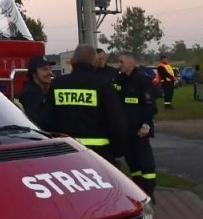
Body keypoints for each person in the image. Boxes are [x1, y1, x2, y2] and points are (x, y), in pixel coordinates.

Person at [47, 44, 128, 172]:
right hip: (99, 155)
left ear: (73, 61)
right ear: (95, 62)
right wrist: (117, 151)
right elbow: (116, 122)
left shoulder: (57, 84)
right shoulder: (103, 84)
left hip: (64, 153)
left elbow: (48, 120)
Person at [115, 53, 159, 197]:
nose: (119, 64)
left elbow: (150, 106)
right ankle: (138, 190)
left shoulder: (142, 81)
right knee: (132, 163)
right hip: (126, 131)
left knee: (145, 162)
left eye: (122, 61)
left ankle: (149, 192)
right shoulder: (119, 80)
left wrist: (146, 125)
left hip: (140, 131)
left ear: (131, 62)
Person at [17, 54, 55, 132]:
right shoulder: (30, 94)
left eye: (50, 69)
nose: (50, 73)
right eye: (45, 69)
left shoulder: (43, 90)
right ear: (34, 73)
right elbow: (38, 123)